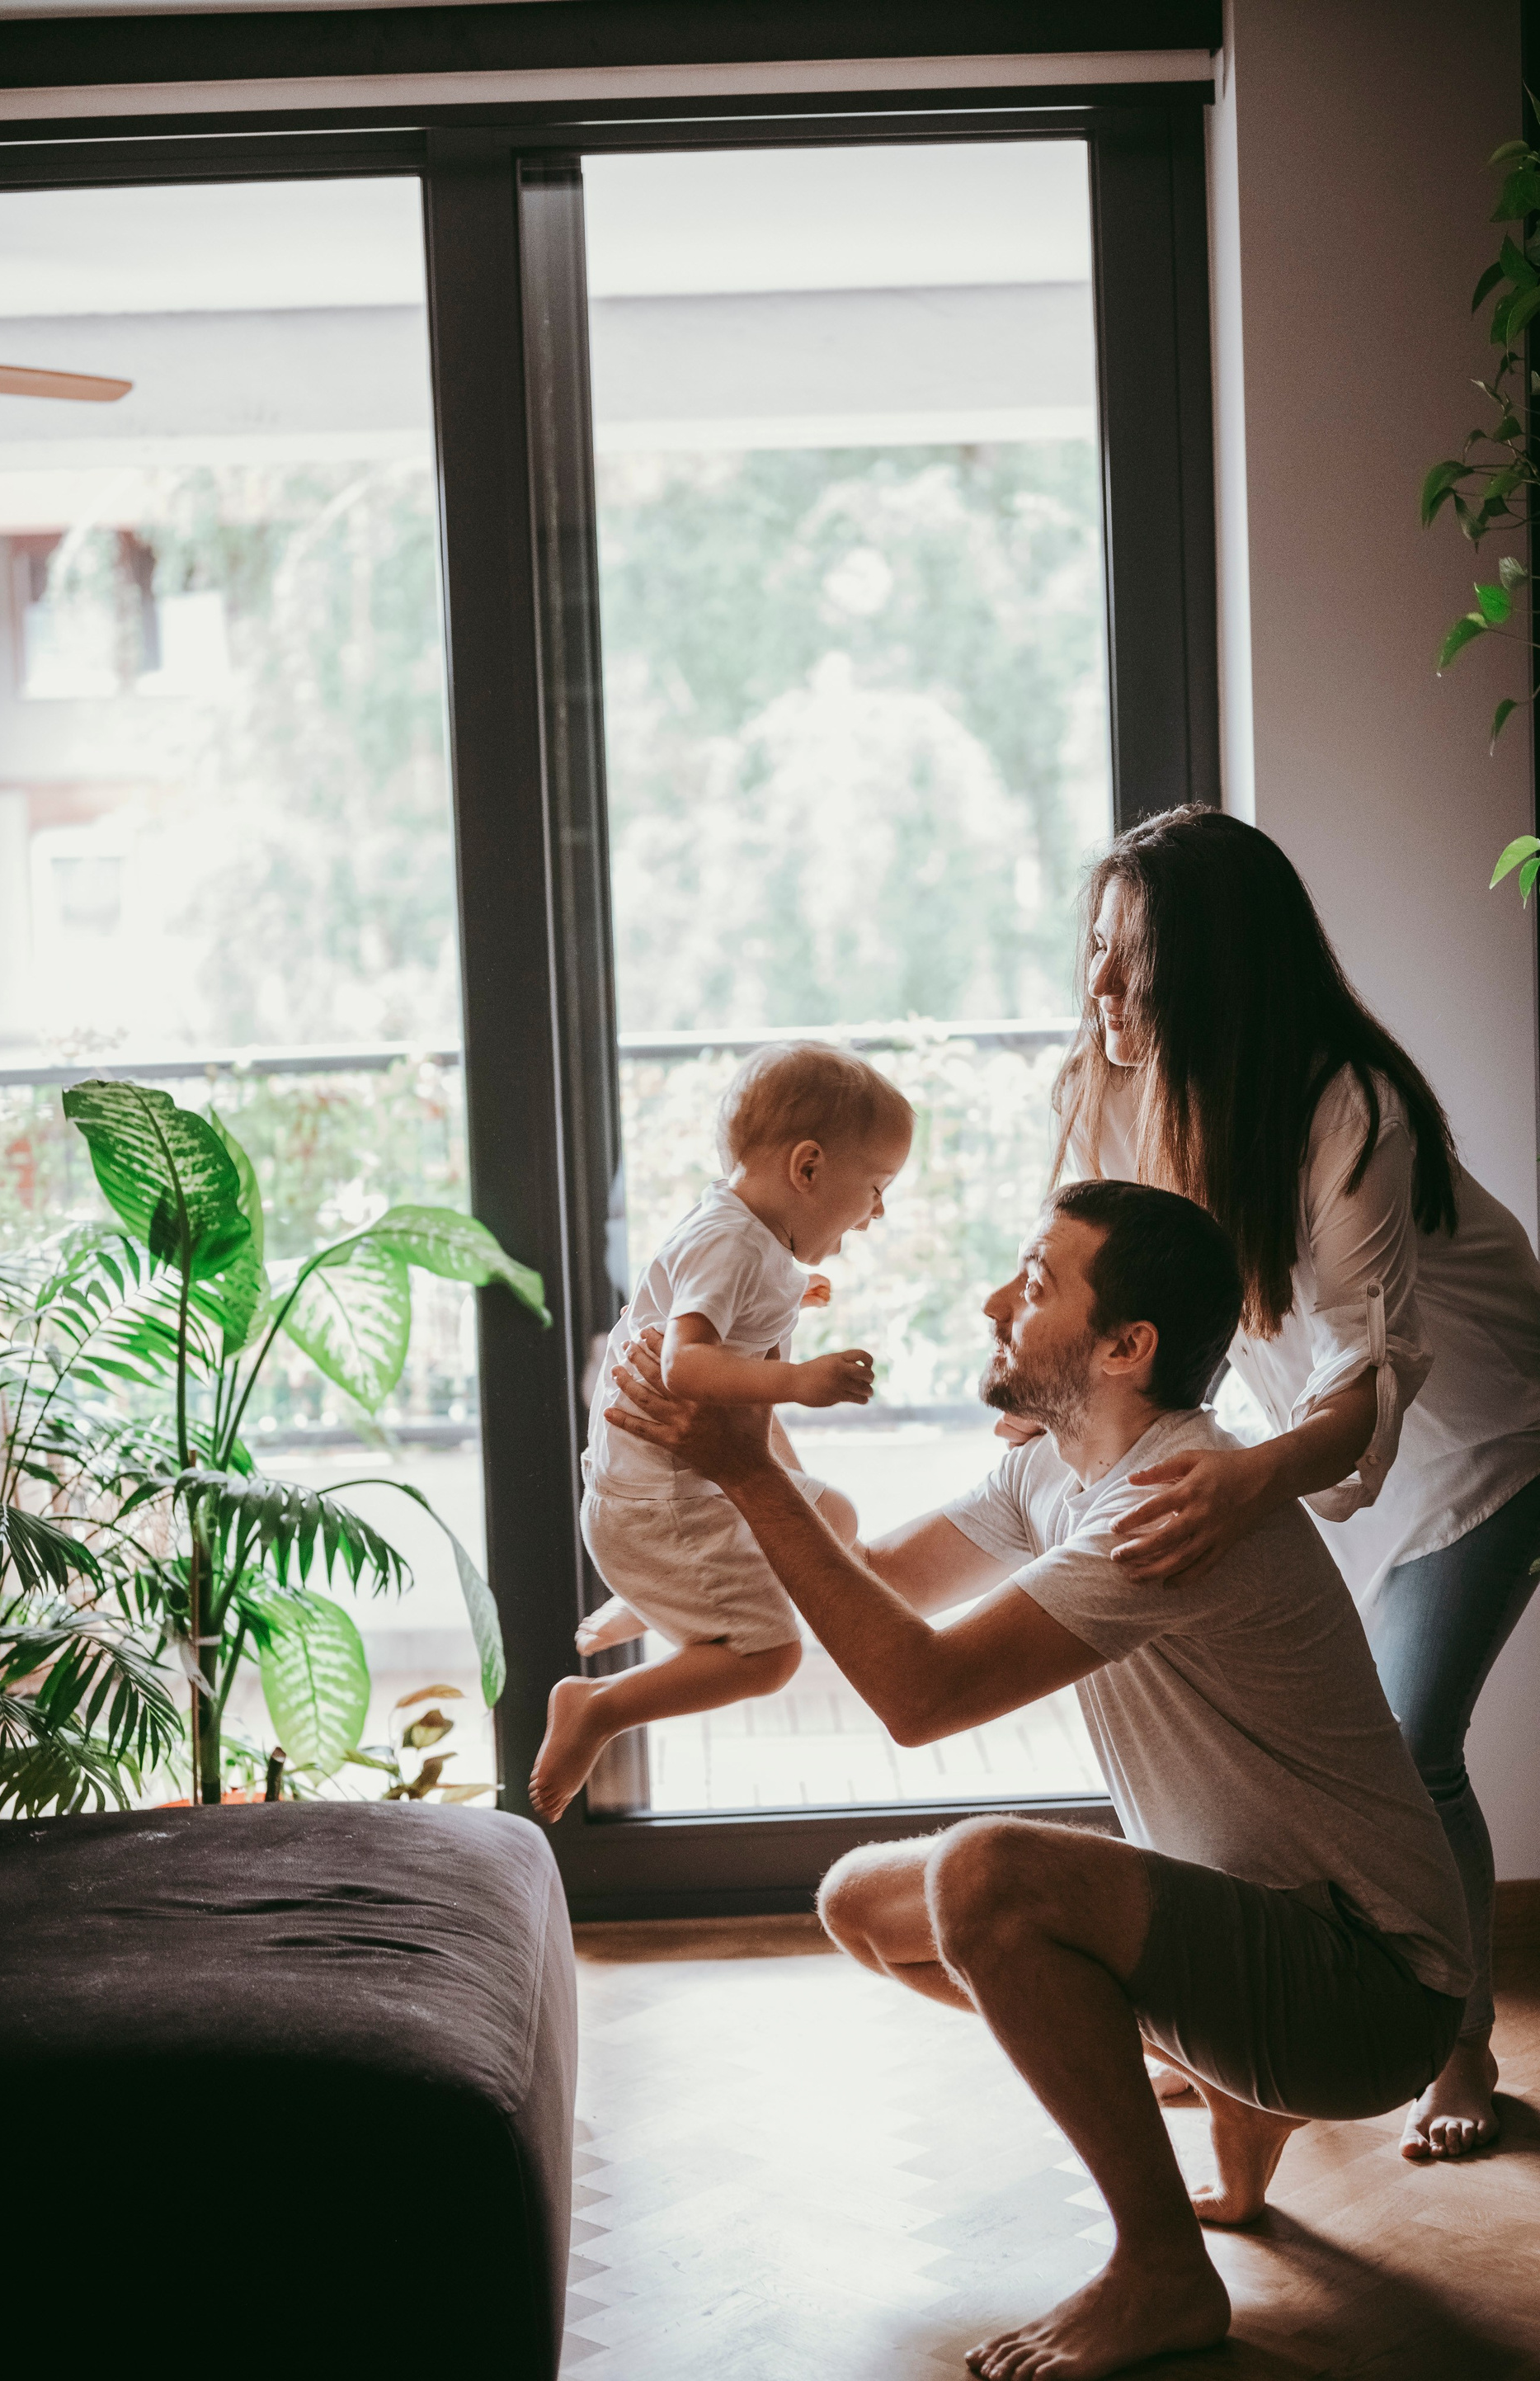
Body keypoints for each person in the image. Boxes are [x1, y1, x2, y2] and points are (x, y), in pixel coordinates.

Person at [605, 1177, 1472, 2381]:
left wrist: (750, 1474)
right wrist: (740, 1445)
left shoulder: (1170, 1506)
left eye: (1034, 1281)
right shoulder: (1052, 1472)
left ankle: (1163, 2269)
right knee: (866, 1901)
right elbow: (877, 1579)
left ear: (1126, 1348)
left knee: (986, 1875)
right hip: (1274, 1937)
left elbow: (920, 1694)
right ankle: (1233, 2091)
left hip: (1370, 1991)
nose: (994, 1302)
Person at [1056, 804, 1540, 2160]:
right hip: (1320, 1447)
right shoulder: (1130, 1086)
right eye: (1094, 947)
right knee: (1261, 1743)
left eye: (1132, 960)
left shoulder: (1351, 1107)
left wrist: (1244, 1482)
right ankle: (1235, 2037)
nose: (1100, 985)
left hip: (1492, 1439)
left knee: (1409, 1744)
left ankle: (1461, 2046)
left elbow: (1366, 1373)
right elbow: (1117, 1288)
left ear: (1214, 972)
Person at [529, 1041, 913, 1822]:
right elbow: (686, 1365)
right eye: (876, 1189)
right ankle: (596, 1706)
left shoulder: (750, 1239)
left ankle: (654, 1598)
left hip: (674, 1499)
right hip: (660, 1510)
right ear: (808, 1168)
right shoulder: (729, 1242)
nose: (878, 1213)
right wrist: (800, 1383)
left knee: (834, 1518)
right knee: (770, 1658)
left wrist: (789, 1296)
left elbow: (726, 1310)